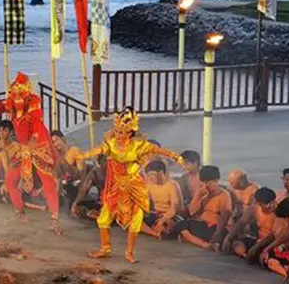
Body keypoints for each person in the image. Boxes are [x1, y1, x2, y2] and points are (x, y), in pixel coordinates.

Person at [78, 108, 182, 263]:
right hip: (116, 187)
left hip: (134, 187)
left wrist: (175, 156)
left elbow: (157, 149)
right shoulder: (112, 145)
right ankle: (105, 248)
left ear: (130, 133)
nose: (118, 135)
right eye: (117, 131)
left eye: (121, 132)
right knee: (103, 218)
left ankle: (129, 252)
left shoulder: (139, 146)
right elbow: (99, 149)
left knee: (135, 220)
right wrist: (83, 155)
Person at [0, 73, 60, 224]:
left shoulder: (34, 107)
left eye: (20, 95)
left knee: (48, 183)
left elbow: (37, 126)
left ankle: (54, 218)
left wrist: (33, 141)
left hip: (39, 149)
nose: (17, 98)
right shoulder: (12, 107)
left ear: (26, 95)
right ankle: (20, 212)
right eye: (14, 95)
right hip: (24, 150)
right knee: (10, 181)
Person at [178, 166, 233, 251]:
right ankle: (205, 245)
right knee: (182, 225)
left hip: (215, 227)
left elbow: (226, 215)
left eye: (208, 182)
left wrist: (218, 232)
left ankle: (195, 240)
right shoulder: (202, 193)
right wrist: (198, 196)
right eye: (203, 182)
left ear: (216, 180)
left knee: (218, 234)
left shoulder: (224, 195)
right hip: (202, 225)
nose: (206, 185)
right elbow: (192, 212)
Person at [223, 186, 279, 258]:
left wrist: (256, 247)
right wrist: (228, 237)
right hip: (258, 240)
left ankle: (254, 255)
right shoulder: (254, 209)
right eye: (268, 203)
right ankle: (245, 255)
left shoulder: (279, 212)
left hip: (273, 243)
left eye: (273, 201)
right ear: (259, 203)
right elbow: (241, 223)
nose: (272, 205)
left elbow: (275, 235)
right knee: (236, 244)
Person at [142, 161, 182, 239]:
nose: (150, 178)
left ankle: (160, 230)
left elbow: (173, 209)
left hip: (170, 216)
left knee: (168, 225)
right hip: (156, 214)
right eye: (149, 176)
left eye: (152, 175)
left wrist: (161, 222)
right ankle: (155, 234)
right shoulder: (150, 184)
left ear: (161, 173)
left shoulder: (172, 185)